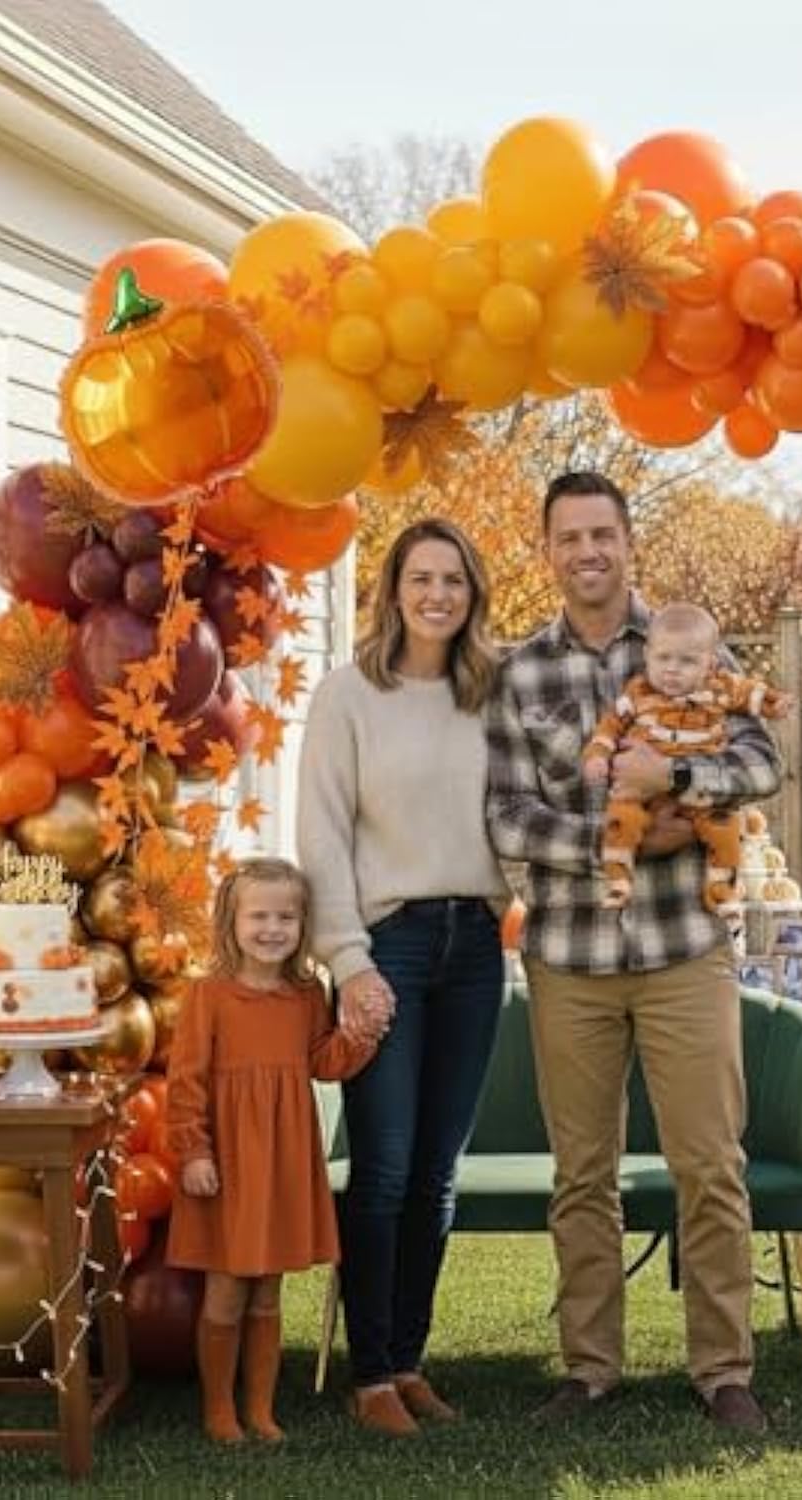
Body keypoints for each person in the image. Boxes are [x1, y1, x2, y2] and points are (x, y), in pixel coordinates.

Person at [486, 472, 782, 1433]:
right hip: (569, 957)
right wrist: (615, 842)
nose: (587, 552)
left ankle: (723, 1370)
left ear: (627, 542)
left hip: (683, 949)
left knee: (711, 1164)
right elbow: (506, 815)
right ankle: (589, 1370)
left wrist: (679, 778)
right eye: (569, 537)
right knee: (582, 1176)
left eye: (602, 534)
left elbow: (763, 761)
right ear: (547, 551)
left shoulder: (687, 646)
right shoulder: (520, 673)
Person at [297, 517, 508, 1438]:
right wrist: (347, 960)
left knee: (436, 1173)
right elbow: (320, 834)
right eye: (420, 578)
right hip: (390, 945)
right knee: (382, 1165)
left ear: (473, 594)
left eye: (453, 580)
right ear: (392, 590)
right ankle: (370, 1373)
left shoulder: (492, 694)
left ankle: (410, 1362)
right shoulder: (348, 696)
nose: (437, 595)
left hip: (477, 947)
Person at [166, 857, 383, 1445]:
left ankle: (260, 1410)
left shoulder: (307, 994)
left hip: (283, 1157)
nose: (272, 929)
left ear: (304, 924)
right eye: (258, 916)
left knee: (267, 1290)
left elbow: (321, 1062)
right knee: (227, 1288)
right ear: (230, 922)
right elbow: (186, 1081)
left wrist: (358, 1037)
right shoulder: (208, 995)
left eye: (286, 917)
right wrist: (194, 1152)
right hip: (228, 1161)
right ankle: (219, 1410)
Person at [581, 600, 789, 912]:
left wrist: (774, 703)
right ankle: (619, 880)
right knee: (621, 820)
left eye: (687, 661)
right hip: (640, 796)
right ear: (647, 655)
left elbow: (751, 695)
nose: (672, 669)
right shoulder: (638, 693)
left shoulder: (719, 687)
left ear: (710, 664)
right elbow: (609, 727)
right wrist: (597, 756)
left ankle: (722, 890)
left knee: (726, 829)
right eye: (663, 658)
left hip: (696, 795)